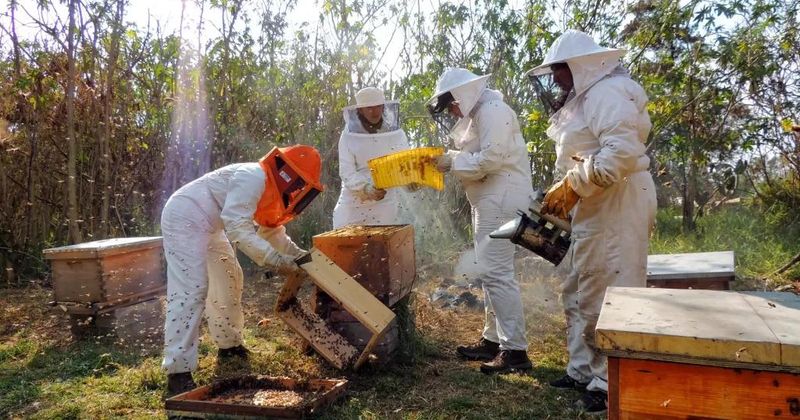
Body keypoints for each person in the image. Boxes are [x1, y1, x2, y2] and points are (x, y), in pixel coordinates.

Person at [525, 29, 657, 412]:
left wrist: (574, 184)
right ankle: (582, 369)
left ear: (580, 67)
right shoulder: (590, 96)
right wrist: (566, 188)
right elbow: (585, 156)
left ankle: (607, 382)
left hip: (619, 198)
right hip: (597, 200)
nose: (556, 80)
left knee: (609, 290)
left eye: (560, 71)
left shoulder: (607, 91)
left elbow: (620, 154)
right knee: (579, 285)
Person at [160, 145, 323, 396]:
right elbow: (237, 226)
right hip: (185, 215)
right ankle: (177, 372)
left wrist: (303, 258)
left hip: (211, 225)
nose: (298, 191)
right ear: (289, 175)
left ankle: (229, 346)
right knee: (192, 287)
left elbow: (274, 236)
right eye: (299, 184)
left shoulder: (271, 192)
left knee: (230, 277)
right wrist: (273, 260)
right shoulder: (254, 176)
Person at [428, 68, 535, 374]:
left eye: (452, 104)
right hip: (489, 199)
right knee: (489, 272)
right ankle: (493, 340)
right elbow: (476, 156)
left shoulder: (493, 110)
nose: (452, 111)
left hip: (502, 198)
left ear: (464, 93)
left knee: (497, 272)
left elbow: (490, 160)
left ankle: (515, 351)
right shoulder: (481, 113)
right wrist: (449, 158)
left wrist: (453, 161)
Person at [332, 87, 413, 228]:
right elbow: (346, 171)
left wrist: (410, 181)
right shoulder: (348, 136)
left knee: (381, 246)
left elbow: (404, 164)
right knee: (344, 246)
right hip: (353, 201)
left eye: (378, 107)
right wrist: (365, 188)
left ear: (383, 106)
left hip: (385, 201)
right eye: (369, 108)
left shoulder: (396, 134)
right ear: (360, 110)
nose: (374, 112)